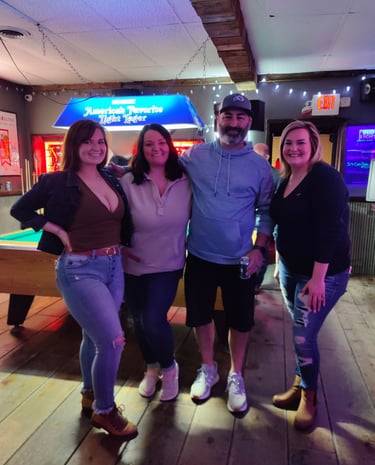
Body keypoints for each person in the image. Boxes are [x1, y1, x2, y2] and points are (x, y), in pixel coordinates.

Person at [10, 119, 138, 439]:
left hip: (113, 267)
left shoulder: (111, 178)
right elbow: (20, 208)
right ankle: (105, 411)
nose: (95, 147)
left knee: (92, 338)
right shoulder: (57, 181)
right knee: (113, 340)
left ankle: (90, 395)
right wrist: (53, 228)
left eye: (99, 141)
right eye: (87, 142)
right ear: (74, 146)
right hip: (79, 268)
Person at [179, 93, 275, 413]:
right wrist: (122, 171)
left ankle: (235, 375)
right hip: (201, 256)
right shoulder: (195, 156)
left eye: (240, 118)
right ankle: (208, 369)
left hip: (240, 259)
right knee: (200, 316)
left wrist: (259, 248)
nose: (233, 123)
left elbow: (267, 212)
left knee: (241, 321)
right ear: (218, 118)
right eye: (228, 116)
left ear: (249, 122)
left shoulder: (260, 168)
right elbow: (160, 170)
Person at [270, 120, 351, 431]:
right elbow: (282, 226)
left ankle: (309, 398)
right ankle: (300, 384)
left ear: (314, 145)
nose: (294, 148)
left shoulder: (325, 178)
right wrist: (279, 262)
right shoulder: (286, 178)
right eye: (289, 143)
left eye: (301, 142)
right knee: (299, 332)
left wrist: (318, 279)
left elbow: (331, 230)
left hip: (323, 274)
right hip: (291, 268)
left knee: (303, 335)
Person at [120, 123, 191, 402]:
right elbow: (113, 217)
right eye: (149, 144)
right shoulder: (127, 181)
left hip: (168, 263)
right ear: (141, 148)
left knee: (152, 319)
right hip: (132, 264)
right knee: (138, 320)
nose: (156, 148)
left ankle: (170, 368)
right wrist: (120, 248)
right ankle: (151, 368)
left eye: (161, 142)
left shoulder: (187, 179)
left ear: (169, 146)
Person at [253, 142, 279, 293]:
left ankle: (256, 283)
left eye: (258, 155)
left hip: (266, 219)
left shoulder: (276, 175)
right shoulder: (249, 172)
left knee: (260, 252)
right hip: (249, 220)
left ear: (267, 156)